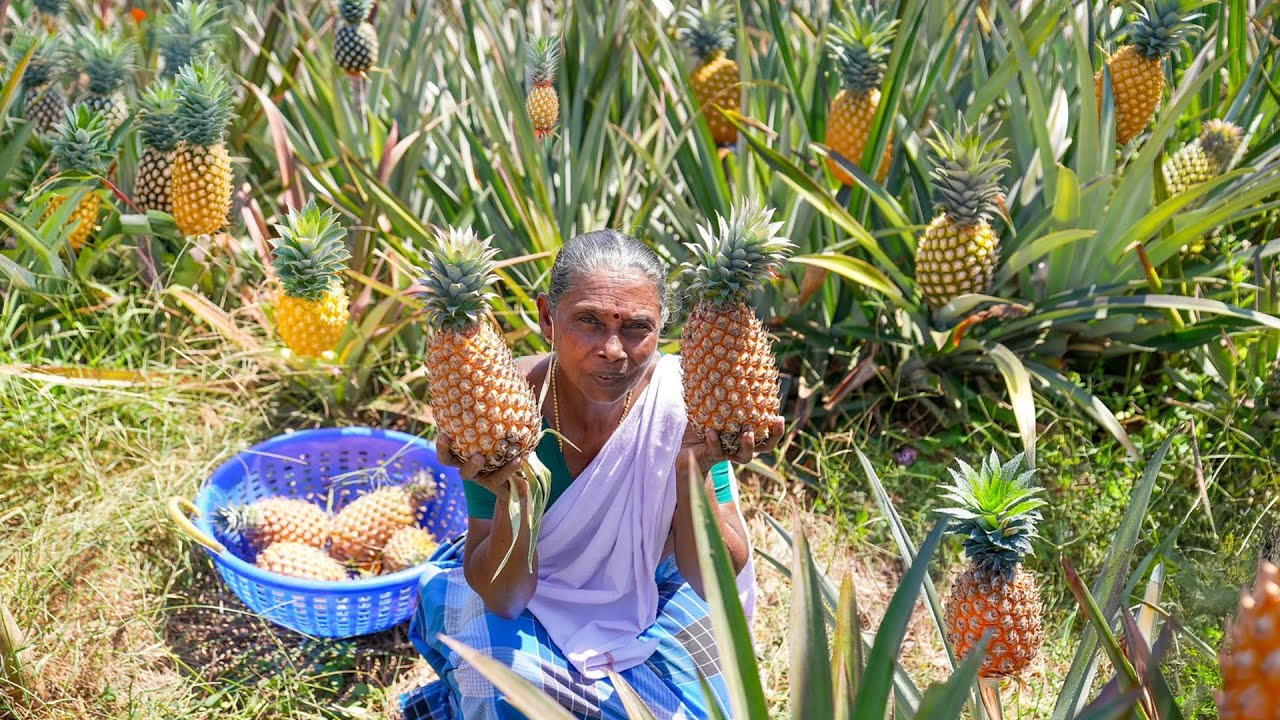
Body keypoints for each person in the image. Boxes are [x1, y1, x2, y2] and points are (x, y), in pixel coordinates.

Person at [400, 229, 783, 719]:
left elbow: (716, 582)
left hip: (651, 582)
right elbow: (505, 599)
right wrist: (515, 497)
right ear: (547, 318)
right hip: (526, 584)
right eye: (589, 321)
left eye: (636, 328)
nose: (613, 350)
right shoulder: (494, 407)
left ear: (663, 328)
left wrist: (694, 471)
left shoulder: (686, 400)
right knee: (507, 693)